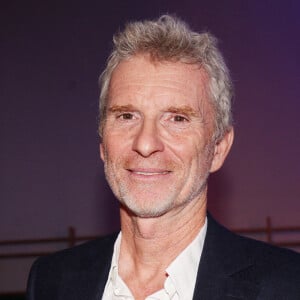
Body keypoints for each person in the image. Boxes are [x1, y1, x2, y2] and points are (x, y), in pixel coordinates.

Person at [26, 15, 300, 300]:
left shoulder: (288, 286)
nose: (145, 143)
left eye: (177, 119)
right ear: (103, 143)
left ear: (218, 148)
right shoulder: (52, 280)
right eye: (127, 116)